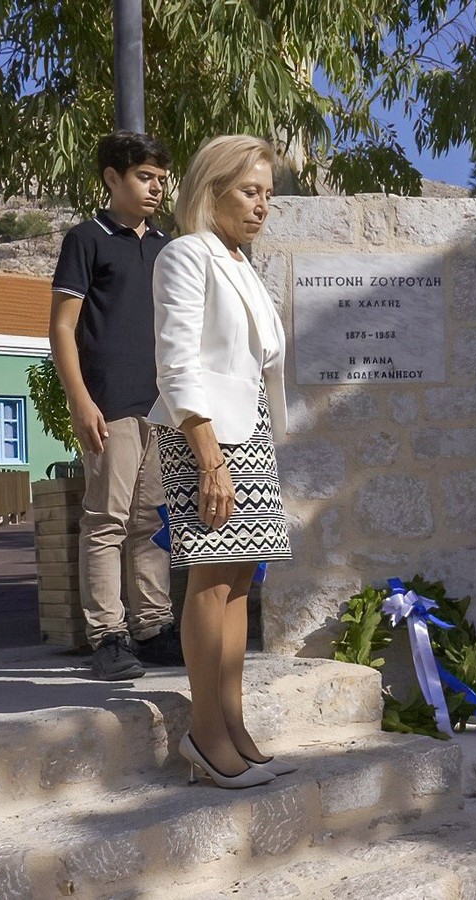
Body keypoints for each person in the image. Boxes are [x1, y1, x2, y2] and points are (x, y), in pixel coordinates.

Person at [149, 135, 296, 788]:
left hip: (251, 434)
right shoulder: (186, 255)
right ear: (212, 191)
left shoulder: (241, 262)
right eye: (249, 191)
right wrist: (210, 459)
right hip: (203, 435)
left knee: (238, 583)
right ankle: (205, 735)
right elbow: (177, 361)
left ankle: (232, 724)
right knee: (210, 582)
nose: (262, 205)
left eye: (268, 193)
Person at [50, 131, 182, 681]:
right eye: (144, 177)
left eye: (161, 178)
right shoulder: (87, 239)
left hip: (161, 406)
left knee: (151, 521)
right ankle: (107, 635)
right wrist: (80, 400)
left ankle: (152, 627)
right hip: (109, 404)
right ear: (112, 177)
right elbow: (62, 326)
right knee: (106, 519)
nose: (156, 188)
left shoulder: (168, 246)